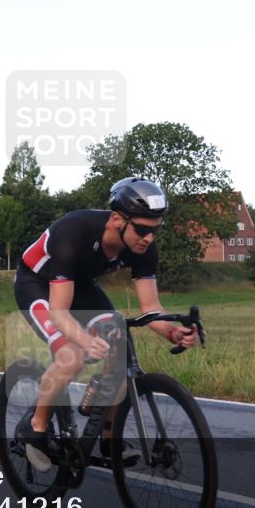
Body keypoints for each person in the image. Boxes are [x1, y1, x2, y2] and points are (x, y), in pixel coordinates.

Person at [13, 177, 201, 472]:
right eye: (141, 229)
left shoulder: (144, 248)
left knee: (119, 340)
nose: (149, 238)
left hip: (81, 283)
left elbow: (151, 309)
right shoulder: (73, 234)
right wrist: (85, 341)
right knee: (71, 354)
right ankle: (35, 429)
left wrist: (173, 331)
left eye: (155, 230)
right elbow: (59, 313)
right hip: (36, 282)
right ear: (116, 220)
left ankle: (109, 439)